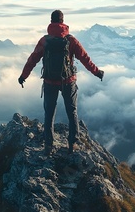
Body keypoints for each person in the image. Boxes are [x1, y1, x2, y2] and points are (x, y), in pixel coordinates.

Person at [18, 10, 104, 154]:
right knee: (72, 112)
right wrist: (97, 72)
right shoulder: (71, 40)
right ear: (63, 21)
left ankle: (48, 146)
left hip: (49, 81)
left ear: (51, 21)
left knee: (49, 113)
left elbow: (32, 60)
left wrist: (23, 76)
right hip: (68, 81)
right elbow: (85, 58)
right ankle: (72, 144)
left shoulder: (44, 41)